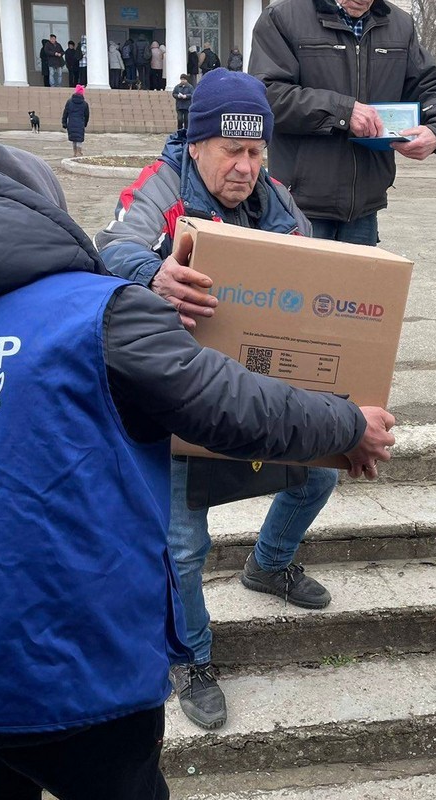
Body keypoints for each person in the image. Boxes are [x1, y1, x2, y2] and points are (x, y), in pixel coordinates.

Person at [0, 139, 395, 800]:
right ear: (45, 214)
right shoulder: (97, 311)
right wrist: (346, 423)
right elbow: (229, 406)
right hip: (66, 670)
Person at [94, 69, 348, 732]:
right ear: (196, 143)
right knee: (181, 548)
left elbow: (316, 279)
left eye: (256, 152)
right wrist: (154, 273)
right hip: (176, 402)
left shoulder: (279, 202)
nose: (245, 167)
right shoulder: (159, 186)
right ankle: (193, 658)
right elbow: (112, 246)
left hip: (258, 393)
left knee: (319, 477)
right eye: (231, 152)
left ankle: (268, 566)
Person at [248, 0, 436, 245]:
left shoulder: (400, 24)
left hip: (364, 208)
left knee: (358, 285)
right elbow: (268, 95)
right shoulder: (282, 17)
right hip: (299, 205)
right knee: (301, 283)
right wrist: (343, 111)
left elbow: (433, 89)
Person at [62, 85, 90, 156]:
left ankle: (75, 152)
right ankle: (79, 151)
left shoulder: (69, 102)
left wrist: (64, 122)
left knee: (74, 137)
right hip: (80, 123)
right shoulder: (85, 104)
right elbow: (87, 115)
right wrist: (85, 123)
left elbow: (65, 112)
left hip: (71, 122)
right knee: (79, 138)